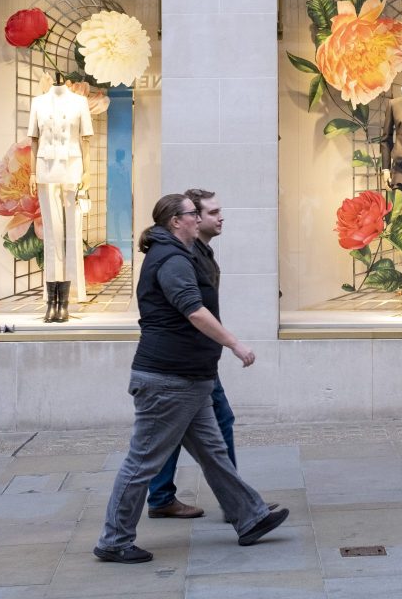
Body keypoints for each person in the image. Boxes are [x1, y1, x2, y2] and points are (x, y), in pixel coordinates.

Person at [95, 194, 289, 563]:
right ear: (176, 221)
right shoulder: (170, 260)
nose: (199, 219)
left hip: (188, 379)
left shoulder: (182, 254)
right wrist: (235, 344)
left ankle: (250, 517)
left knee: (214, 454)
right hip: (168, 379)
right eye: (193, 214)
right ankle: (114, 539)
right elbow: (194, 312)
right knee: (142, 462)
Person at [145, 188, 236, 520]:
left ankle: (161, 497)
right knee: (213, 423)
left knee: (173, 430)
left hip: (196, 359)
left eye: (215, 211)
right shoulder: (181, 257)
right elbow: (192, 310)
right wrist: (234, 343)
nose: (217, 217)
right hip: (186, 362)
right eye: (209, 213)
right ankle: (236, 503)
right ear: (185, 220)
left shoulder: (200, 253)